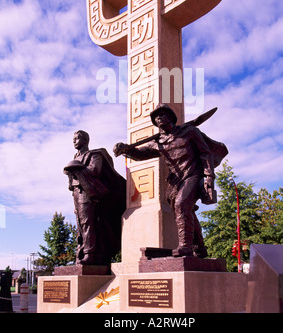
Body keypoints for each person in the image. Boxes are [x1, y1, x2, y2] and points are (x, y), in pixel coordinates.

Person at [114, 104, 228, 257]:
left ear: (171, 117)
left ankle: (185, 246)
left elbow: (205, 153)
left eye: (162, 114)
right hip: (175, 180)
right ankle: (199, 247)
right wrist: (125, 150)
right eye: (156, 117)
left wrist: (209, 176)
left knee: (181, 204)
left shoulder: (190, 132)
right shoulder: (158, 142)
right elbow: (141, 154)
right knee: (184, 210)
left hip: (192, 175)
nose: (159, 118)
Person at [64, 130, 126, 265]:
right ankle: (81, 253)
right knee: (80, 225)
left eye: (77, 138)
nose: (74, 141)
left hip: (88, 193)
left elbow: (94, 170)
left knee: (88, 223)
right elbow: (71, 185)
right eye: (73, 139)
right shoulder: (76, 157)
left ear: (85, 140)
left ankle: (90, 254)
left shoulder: (94, 155)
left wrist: (77, 168)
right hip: (76, 193)